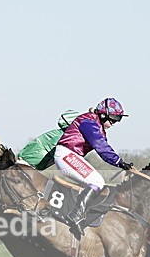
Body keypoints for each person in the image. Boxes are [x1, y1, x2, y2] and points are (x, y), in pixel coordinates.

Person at [55, 97, 134, 233]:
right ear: (103, 115)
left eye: (117, 120)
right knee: (97, 181)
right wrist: (119, 162)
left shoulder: (97, 126)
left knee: (97, 182)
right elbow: (101, 147)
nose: (114, 123)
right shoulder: (89, 122)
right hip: (66, 154)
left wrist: (119, 162)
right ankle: (76, 214)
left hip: (71, 155)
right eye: (113, 119)